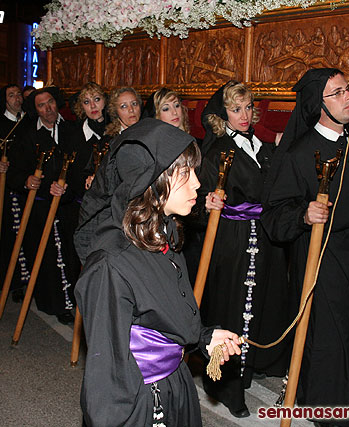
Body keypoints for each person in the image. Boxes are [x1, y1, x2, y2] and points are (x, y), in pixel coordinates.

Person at [75, 118, 242, 426]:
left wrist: (203, 337)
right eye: (184, 173)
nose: (196, 182)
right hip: (140, 401)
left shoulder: (164, 234)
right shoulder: (111, 264)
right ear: (149, 182)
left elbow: (159, 315)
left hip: (175, 384)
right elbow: (106, 380)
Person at [260, 68, 349, 423]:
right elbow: (273, 216)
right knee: (330, 341)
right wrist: (303, 214)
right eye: (338, 92)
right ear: (318, 104)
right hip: (323, 256)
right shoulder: (299, 153)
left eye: (348, 90)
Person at [198, 81, 290, 418]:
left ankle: (250, 370)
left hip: (266, 237)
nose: (244, 115)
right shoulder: (217, 151)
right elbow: (200, 202)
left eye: (249, 107)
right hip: (234, 240)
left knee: (262, 306)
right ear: (223, 113)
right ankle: (227, 386)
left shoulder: (262, 146)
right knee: (235, 310)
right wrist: (209, 203)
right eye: (237, 109)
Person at [7, 86, 77, 325]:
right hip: (40, 208)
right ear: (34, 110)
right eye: (41, 105)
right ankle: (54, 303)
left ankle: (74, 302)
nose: (48, 108)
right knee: (46, 257)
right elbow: (16, 173)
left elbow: (81, 168)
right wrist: (27, 180)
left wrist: (69, 186)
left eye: (50, 102)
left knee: (71, 254)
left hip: (68, 207)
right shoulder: (27, 136)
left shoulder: (72, 130)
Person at [0, 84, 31, 302]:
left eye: (18, 95)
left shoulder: (29, 121)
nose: (16, 99)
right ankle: (14, 282)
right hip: (6, 190)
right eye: (11, 95)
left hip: (27, 186)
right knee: (10, 235)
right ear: (4, 100)